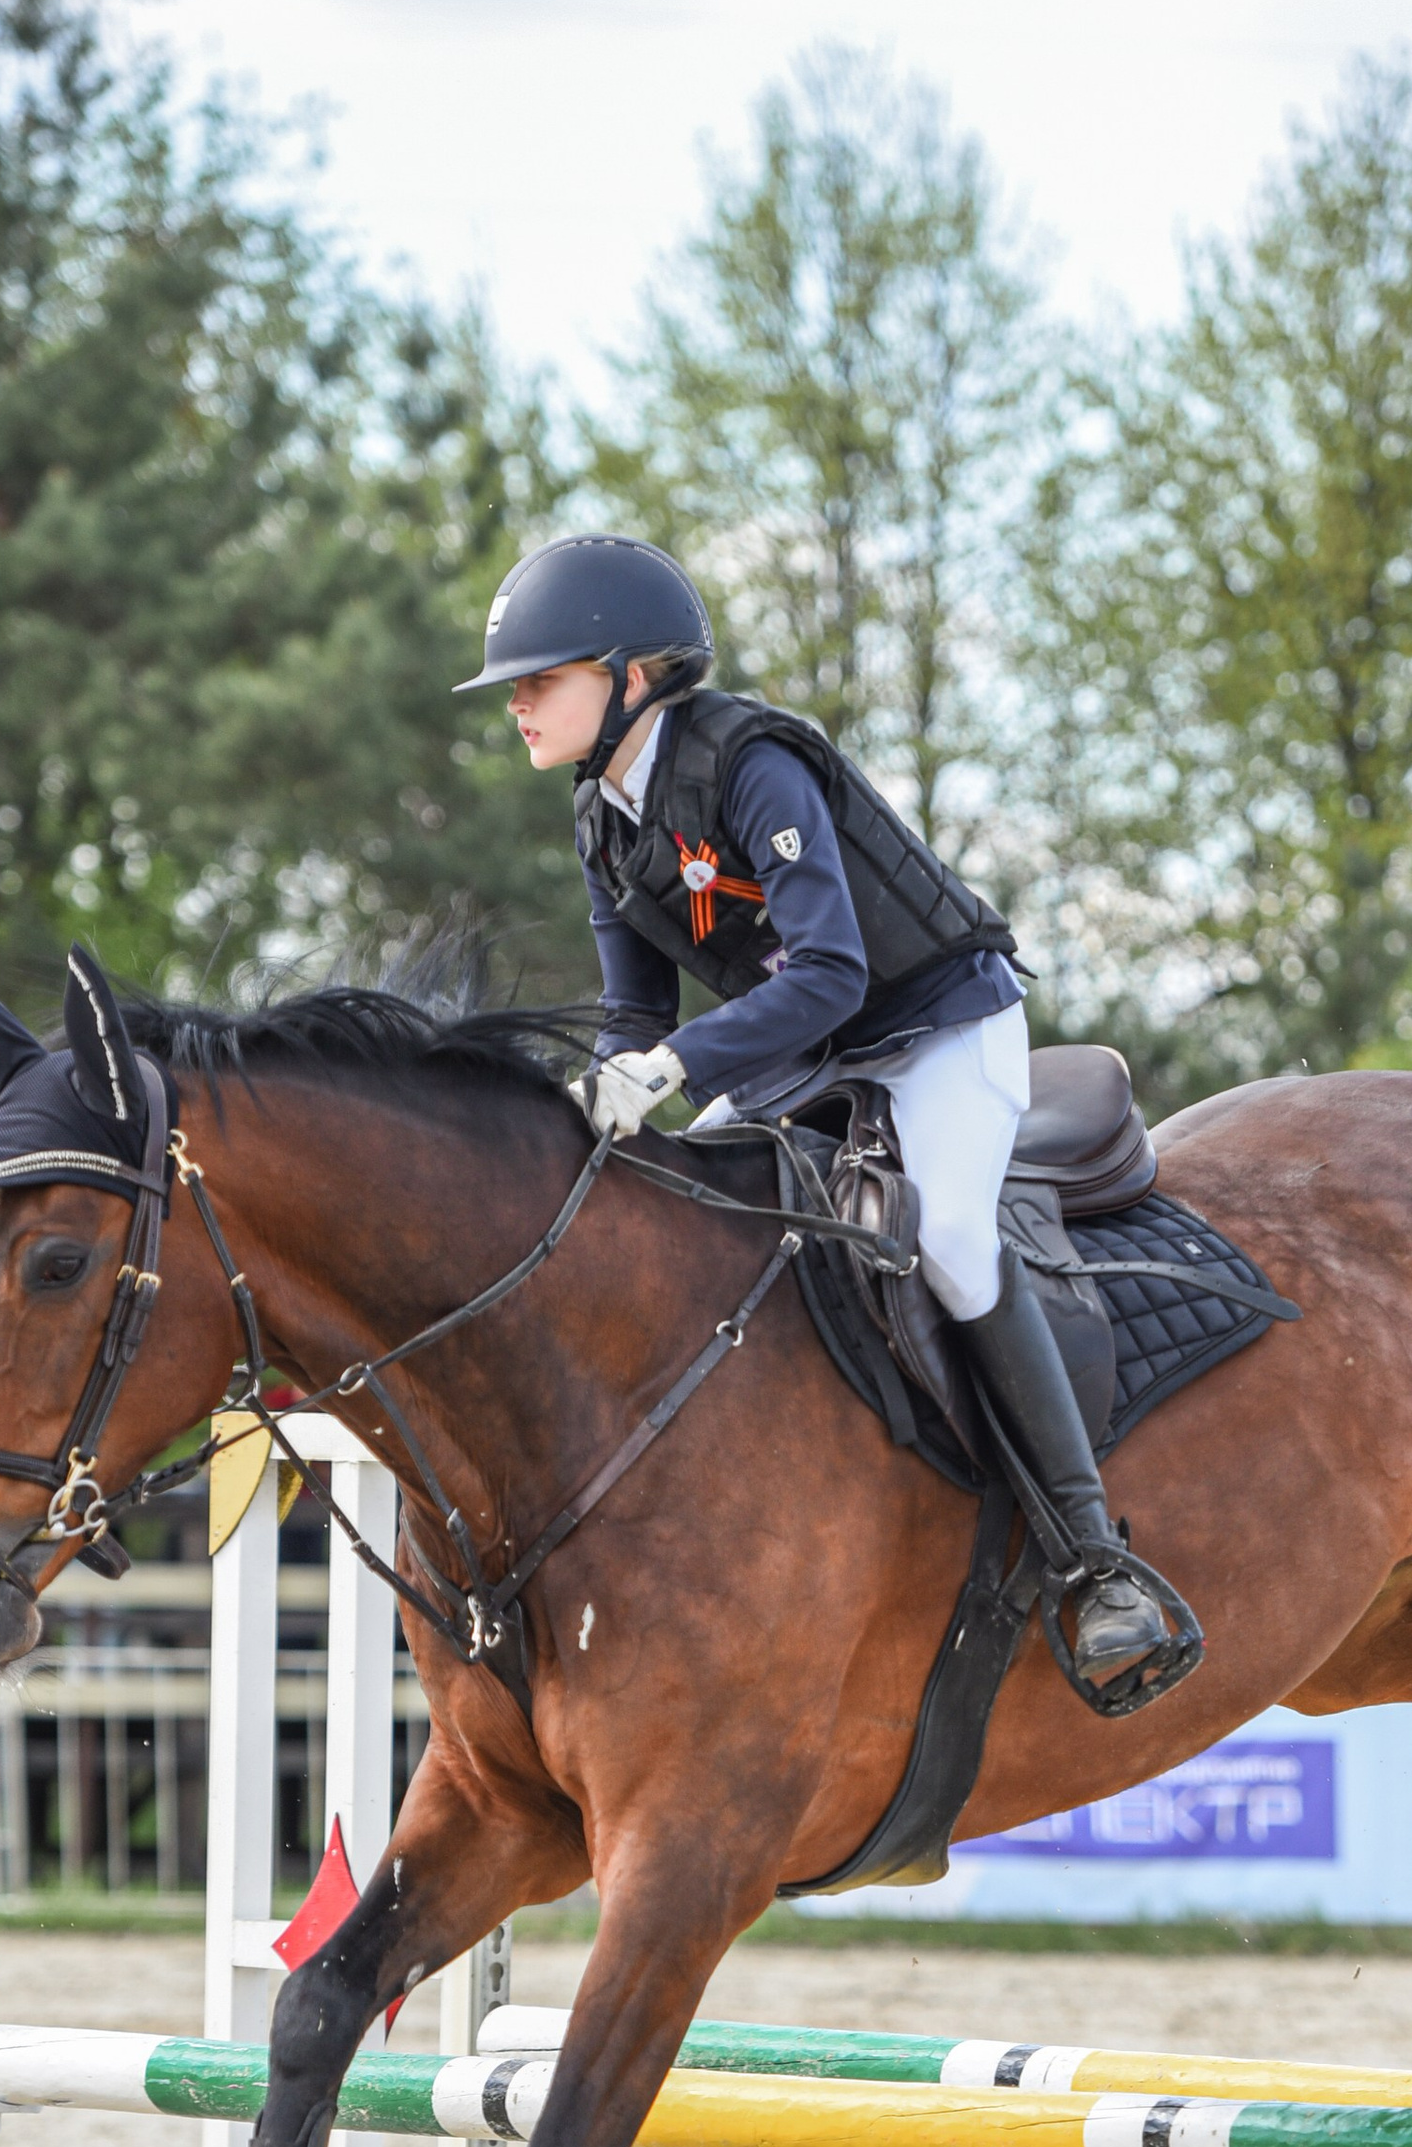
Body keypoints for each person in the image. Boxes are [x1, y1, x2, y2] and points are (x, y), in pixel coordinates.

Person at [456, 533, 1195, 1701]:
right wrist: (593, 1104)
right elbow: (633, 1011)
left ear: (631, 675)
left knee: (948, 1236)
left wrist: (672, 1066)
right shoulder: (601, 815)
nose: (517, 704)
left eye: (541, 679)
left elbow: (834, 972)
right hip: (800, 1051)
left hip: (937, 1024)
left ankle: (1094, 1559)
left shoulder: (749, 763)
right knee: (679, 1218)